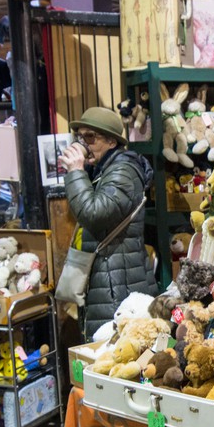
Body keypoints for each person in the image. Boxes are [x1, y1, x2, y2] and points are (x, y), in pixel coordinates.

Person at [59, 106, 158, 340]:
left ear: (112, 142)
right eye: (80, 137)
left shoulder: (123, 171)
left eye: (90, 137)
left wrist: (75, 172)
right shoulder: (101, 169)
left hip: (117, 281)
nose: (83, 143)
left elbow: (95, 213)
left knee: (117, 346)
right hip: (109, 274)